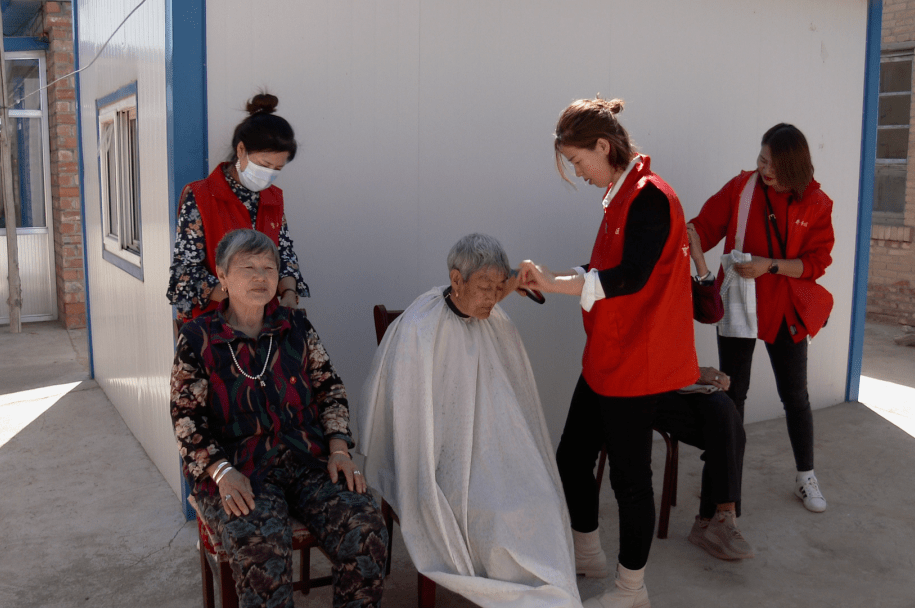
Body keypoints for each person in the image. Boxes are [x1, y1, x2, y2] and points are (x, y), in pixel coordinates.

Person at [520, 98, 698, 608]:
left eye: (579, 161)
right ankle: (589, 555)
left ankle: (631, 589)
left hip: (636, 360)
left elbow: (630, 277)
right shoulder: (621, 194)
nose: (579, 173)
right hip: (608, 353)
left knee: (630, 481)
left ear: (603, 146)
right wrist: (553, 279)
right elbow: (606, 271)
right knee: (572, 458)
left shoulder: (650, 196)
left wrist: (556, 282)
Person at [357, 233, 582, 608]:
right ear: (456, 279)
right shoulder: (419, 328)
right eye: (485, 287)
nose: (493, 298)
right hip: (438, 458)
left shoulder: (495, 321)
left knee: (541, 498)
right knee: (495, 516)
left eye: (499, 287)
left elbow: (510, 404)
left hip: (492, 449)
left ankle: (544, 586)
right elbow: (410, 419)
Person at [170, 229, 386, 608]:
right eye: (248, 267)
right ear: (222, 276)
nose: (261, 277)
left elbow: (330, 388)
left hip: (307, 459)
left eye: (269, 268)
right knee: (262, 556)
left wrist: (339, 450)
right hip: (240, 469)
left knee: (365, 529)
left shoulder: (295, 327)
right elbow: (186, 419)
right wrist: (221, 472)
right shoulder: (198, 338)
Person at [688, 123, 834, 513]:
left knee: (795, 396)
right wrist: (680, 234)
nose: (764, 169)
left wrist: (770, 265)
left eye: (773, 164)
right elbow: (704, 228)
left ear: (794, 166)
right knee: (732, 395)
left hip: (785, 307)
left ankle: (806, 476)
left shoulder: (817, 203)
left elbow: (816, 263)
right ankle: (726, 484)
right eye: (761, 159)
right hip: (738, 300)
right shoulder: (742, 188)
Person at [167, 93, 309, 324]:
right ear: (241, 150)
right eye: (264, 165)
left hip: (264, 322)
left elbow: (284, 255)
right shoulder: (201, 196)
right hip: (213, 325)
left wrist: (289, 294)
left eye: (277, 169)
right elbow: (185, 273)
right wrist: (241, 299)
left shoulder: (273, 198)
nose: (269, 174)